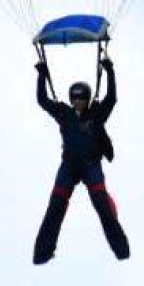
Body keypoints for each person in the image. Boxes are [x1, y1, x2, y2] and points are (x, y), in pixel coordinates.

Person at [32, 54, 130, 264]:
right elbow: (42, 100)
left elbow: (112, 98)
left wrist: (110, 71)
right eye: (74, 98)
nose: (77, 102)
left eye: (81, 98)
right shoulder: (63, 113)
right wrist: (41, 75)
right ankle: (42, 253)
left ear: (87, 98)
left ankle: (121, 250)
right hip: (69, 166)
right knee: (55, 206)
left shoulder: (97, 114)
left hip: (90, 165)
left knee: (101, 205)